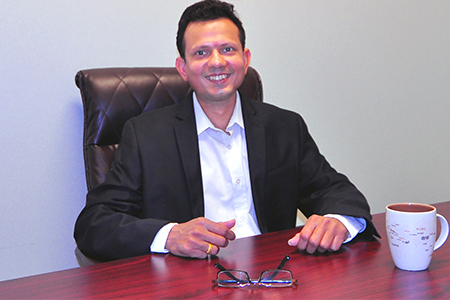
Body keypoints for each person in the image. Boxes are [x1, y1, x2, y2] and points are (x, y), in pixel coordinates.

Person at [74, 0, 379, 262]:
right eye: (202, 53)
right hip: (189, 279)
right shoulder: (145, 135)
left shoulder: (284, 127)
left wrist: (339, 221)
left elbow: (336, 192)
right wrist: (170, 235)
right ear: (183, 68)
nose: (217, 62)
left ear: (245, 60)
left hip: (274, 277)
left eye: (227, 49)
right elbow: (94, 223)